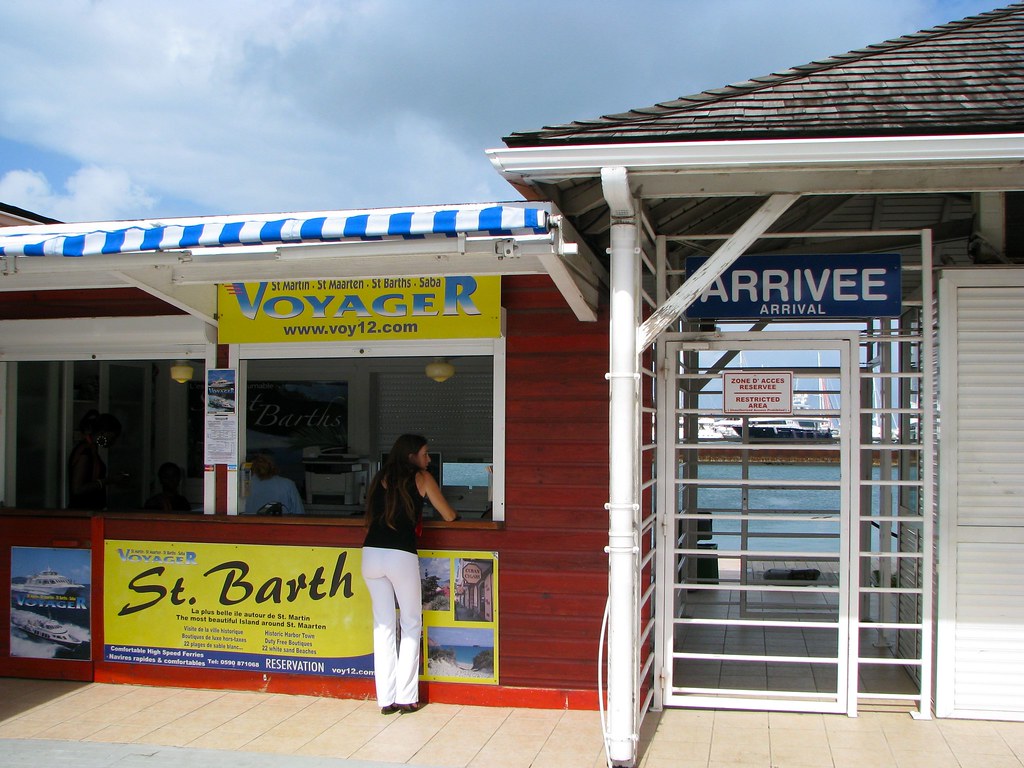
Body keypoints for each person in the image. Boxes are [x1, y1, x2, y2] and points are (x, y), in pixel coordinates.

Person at [362, 434, 459, 715]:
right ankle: (407, 697)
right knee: (411, 623)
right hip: (400, 555)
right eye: (425, 454)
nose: (428, 459)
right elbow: (449, 515)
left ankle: (385, 700)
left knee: (383, 627)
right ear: (411, 456)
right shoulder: (422, 478)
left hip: (370, 554)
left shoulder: (381, 476)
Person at [67, 410, 124, 509]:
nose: (113, 442)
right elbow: (77, 489)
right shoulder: (85, 453)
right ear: (103, 433)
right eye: (113, 437)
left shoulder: (91, 450)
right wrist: (108, 480)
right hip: (83, 513)